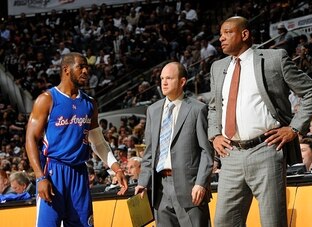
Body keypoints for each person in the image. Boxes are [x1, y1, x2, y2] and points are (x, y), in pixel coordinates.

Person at [208, 16, 312, 227]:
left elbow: (311, 91)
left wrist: (294, 128)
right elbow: (214, 106)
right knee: (224, 223)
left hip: (266, 150)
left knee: (272, 222)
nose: (221, 38)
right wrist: (214, 134)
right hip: (230, 155)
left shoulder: (274, 59)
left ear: (244, 34)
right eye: (220, 34)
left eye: (227, 32)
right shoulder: (217, 67)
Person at [25, 52, 128, 227]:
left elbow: (98, 142)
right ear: (66, 69)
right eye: (81, 66)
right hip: (53, 172)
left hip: (79, 172)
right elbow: (31, 139)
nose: (86, 71)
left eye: (87, 67)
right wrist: (40, 177)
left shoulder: (90, 104)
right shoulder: (47, 99)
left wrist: (117, 168)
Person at [135, 62, 214, 226]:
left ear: (182, 81)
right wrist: (143, 182)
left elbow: (207, 152)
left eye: (169, 78)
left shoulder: (197, 109)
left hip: (191, 189)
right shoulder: (153, 110)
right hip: (160, 189)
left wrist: (201, 183)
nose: (163, 82)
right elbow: (150, 152)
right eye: (162, 78)